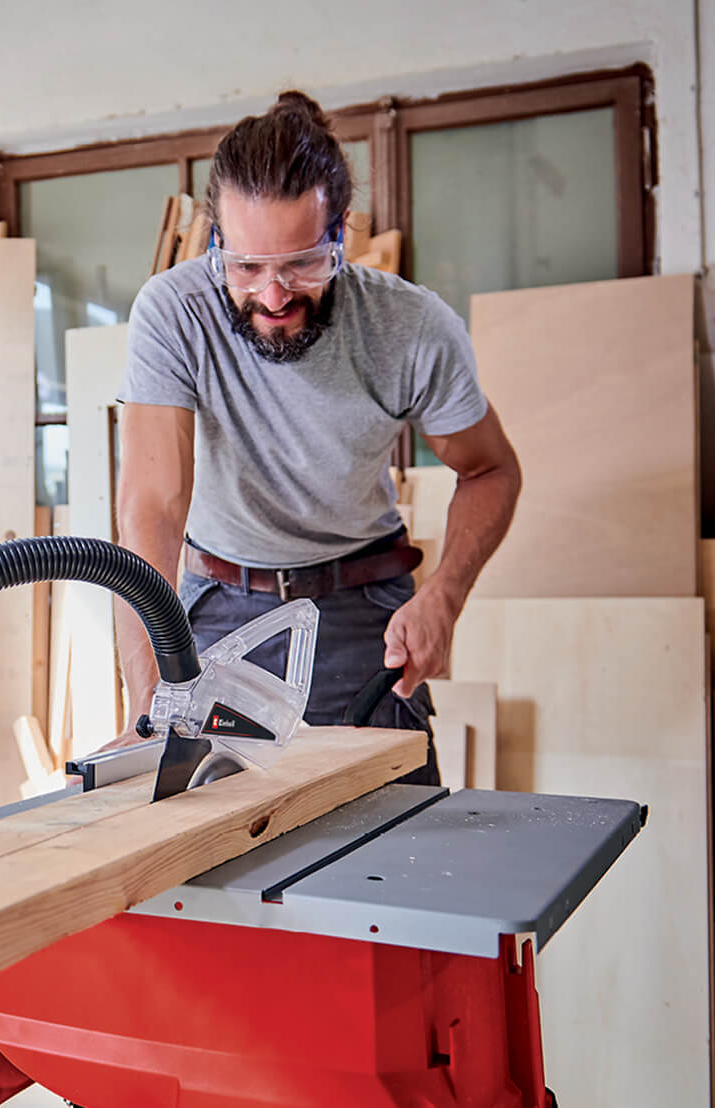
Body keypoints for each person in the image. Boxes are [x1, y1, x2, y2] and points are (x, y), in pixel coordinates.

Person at [111, 90, 522, 783]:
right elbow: (152, 508)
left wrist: (443, 598)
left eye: (301, 264)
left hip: (364, 616)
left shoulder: (410, 329)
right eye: (245, 267)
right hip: (217, 616)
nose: (273, 296)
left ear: (343, 233)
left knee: (392, 854)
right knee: (212, 858)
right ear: (215, 239)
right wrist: (147, 702)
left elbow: (491, 471)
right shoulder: (174, 314)